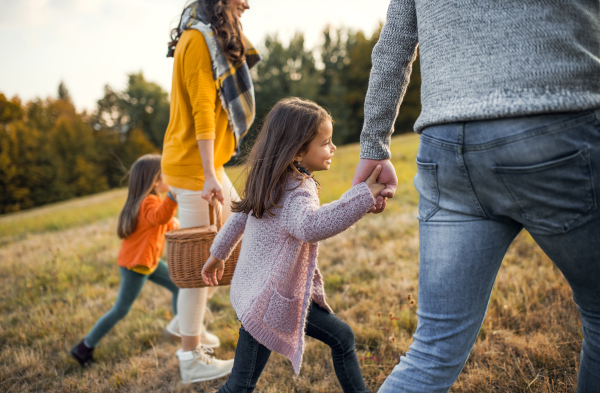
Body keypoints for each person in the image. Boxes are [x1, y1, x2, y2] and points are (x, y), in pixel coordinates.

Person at [351, 1, 600, 392]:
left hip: (446, 143)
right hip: (555, 118)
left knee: (431, 351)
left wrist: (374, 143)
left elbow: (394, 43)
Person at [201, 98, 384, 393]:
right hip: (266, 302)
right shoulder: (298, 189)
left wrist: (217, 254)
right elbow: (310, 226)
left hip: (263, 293)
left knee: (342, 338)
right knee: (239, 386)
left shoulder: (272, 179)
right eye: (325, 143)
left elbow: (240, 216)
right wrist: (361, 197)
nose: (333, 148)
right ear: (298, 151)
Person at [162, 0, 261, 383]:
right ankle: (191, 356)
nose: (247, 4)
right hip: (193, 169)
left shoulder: (210, 36)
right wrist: (207, 176)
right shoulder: (196, 40)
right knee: (201, 265)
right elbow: (204, 109)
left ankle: (187, 325)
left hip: (204, 164)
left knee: (241, 230)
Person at [70, 154, 180, 367]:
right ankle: (84, 347)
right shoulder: (149, 202)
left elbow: (162, 224)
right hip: (136, 266)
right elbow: (159, 217)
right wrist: (174, 195)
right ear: (155, 179)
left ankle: (180, 329)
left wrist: (174, 224)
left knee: (178, 286)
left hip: (148, 262)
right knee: (121, 309)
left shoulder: (151, 201)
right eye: (167, 172)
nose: (171, 176)